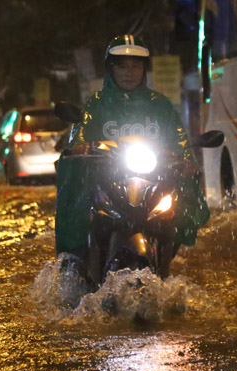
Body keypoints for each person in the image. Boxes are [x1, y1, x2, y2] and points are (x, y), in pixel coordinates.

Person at [56, 34, 209, 262]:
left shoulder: (161, 105)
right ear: (111, 68)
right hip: (108, 183)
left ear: (144, 69)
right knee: (81, 206)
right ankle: (76, 260)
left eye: (135, 66)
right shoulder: (95, 104)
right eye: (122, 66)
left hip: (153, 181)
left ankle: (167, 255)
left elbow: (179, 140)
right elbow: (79, 137)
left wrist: (186, 160)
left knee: (175, 207)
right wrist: (80, 147)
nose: (129, 72)